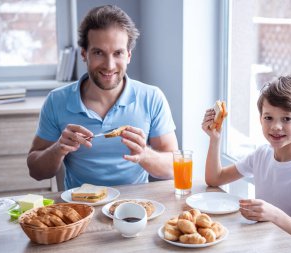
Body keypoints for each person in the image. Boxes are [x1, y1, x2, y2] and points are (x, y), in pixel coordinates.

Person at [27, 5, 178, 189]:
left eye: (118, 53)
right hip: (81, 209)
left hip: (135, 208)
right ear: (84, 54)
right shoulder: (56, 101)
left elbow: (173, 168)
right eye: (99, 53)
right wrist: (58, 148)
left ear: (128, 55)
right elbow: (36, 171)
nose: (109, 65)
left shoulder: (152, 98)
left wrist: (145, 154)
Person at [201, 76, 291, 250]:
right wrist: (215, 139)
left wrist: (273, 214)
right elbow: (214, 179)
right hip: (266, 242)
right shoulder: (262, 154)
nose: (276, 126)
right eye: (269, 118)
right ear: (260, 119)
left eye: (286, 119)